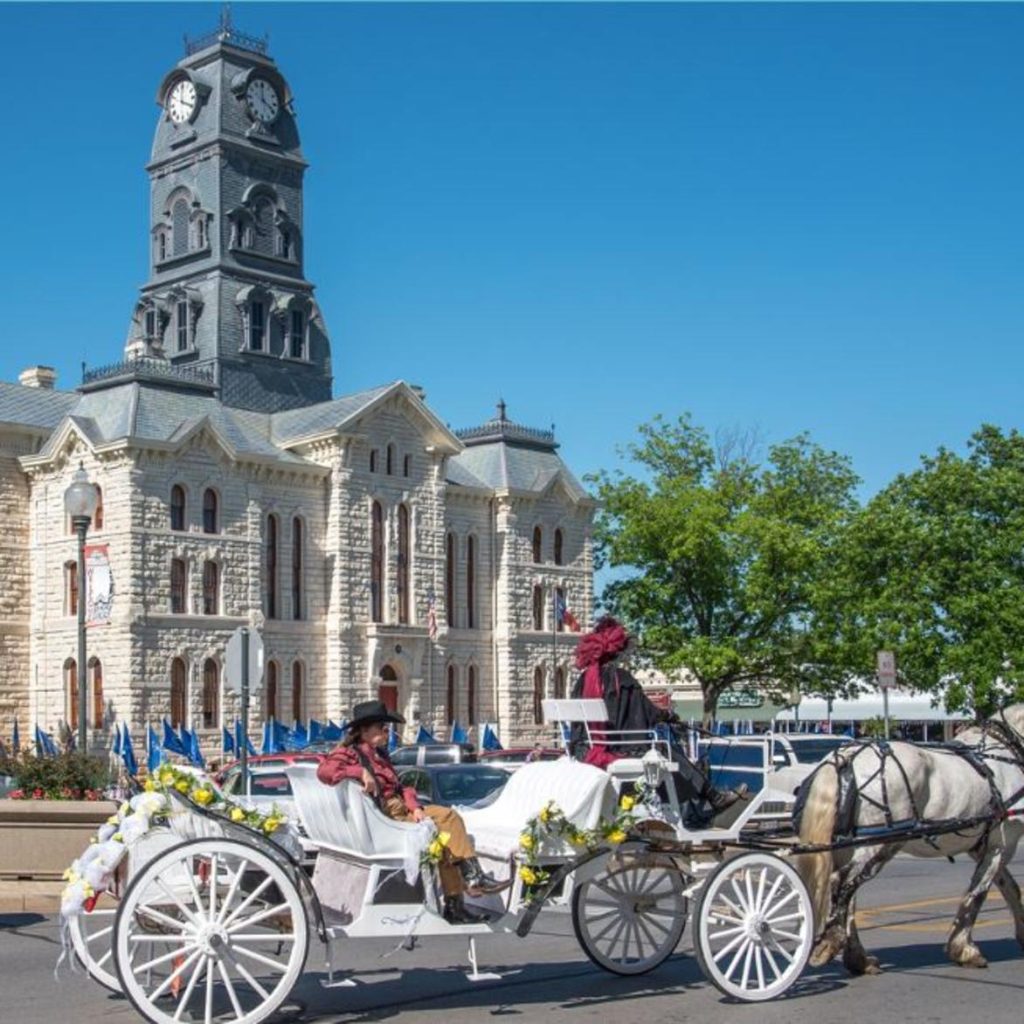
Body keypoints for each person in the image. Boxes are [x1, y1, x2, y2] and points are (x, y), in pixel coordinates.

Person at [317, 699, 509, 924]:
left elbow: (402, 787)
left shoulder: (380, 755)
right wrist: (360, 771)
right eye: (381, 726)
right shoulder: (351, 753)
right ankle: (472, 879)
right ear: (363, 730)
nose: (387, 731)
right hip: (387, 818)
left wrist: (416, 807)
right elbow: (325, 771)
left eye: (387, 727)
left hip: (399, 811)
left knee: (447, 840)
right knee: (449, 816)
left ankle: (458, 904)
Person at [568, 616, 747, 823]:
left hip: (583, 749)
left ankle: (692, 804)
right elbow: (645, 712)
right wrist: (667, 715)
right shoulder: (621, 679)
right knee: (666, 750)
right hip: (615, 749)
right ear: (617, 652)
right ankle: (712, 797)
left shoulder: (583, 681)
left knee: (664, 752)